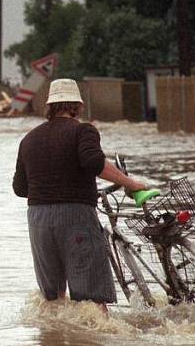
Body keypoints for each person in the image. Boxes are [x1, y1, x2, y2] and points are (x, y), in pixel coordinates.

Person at [13, 78, 146, 312]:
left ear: (49, 107)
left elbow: (20, 189)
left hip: (38, 220)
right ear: (78, 107)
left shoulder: (29, 139)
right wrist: (129, 183)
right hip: (75, 217)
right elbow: (94, 163)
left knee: (52, 299)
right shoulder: (83, 131)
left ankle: (54, 344)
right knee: (91, 300)